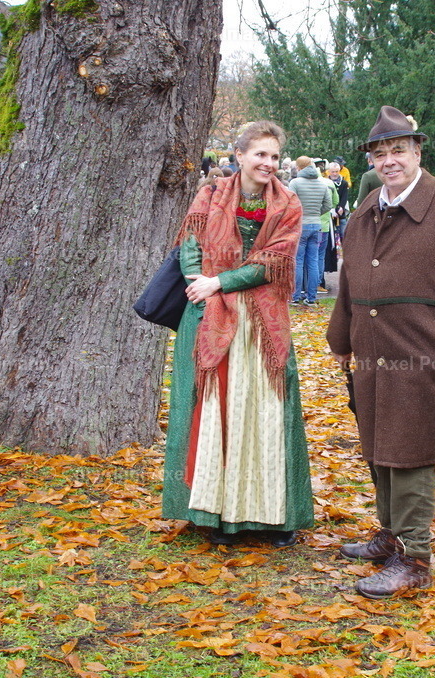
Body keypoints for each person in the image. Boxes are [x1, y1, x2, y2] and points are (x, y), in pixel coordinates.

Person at [326, 106, 435, 599]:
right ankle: (389, 535)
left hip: (423, 352)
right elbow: (350, 283)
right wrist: (341, 339)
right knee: (380, 446)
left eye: (398, 150)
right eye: (380, 153)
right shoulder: (364, 210)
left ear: (418, 151)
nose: (389, 160)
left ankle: (415, 557)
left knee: (412, 451)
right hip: (372, 350)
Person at [162, 120, 313, 548]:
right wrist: (198, 280)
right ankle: (212, 512)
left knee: (264, 410)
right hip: (209, 314)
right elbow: (191, 242)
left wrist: (220, 283)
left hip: (262, 320)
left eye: (274, 156)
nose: (268, 163)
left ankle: (270, 518)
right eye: (260, 154)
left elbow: (272, 261)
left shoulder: (288, 204)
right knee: (213, 408)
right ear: (240, 155)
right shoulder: (210, 194)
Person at [287, 156, 333, 305]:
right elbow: (328, 204)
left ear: (298, 167)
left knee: (298, 261)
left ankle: (295, 296)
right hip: (316, 225)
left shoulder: (295, 183)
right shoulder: (321, 184)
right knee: (313, 261)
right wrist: (316, 214)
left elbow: (289, 203)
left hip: (300, 225)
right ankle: (311, 297)